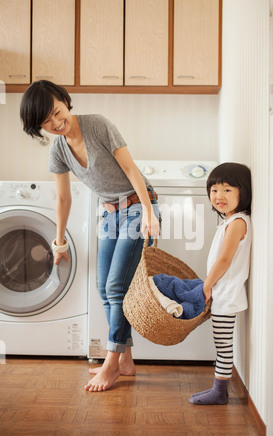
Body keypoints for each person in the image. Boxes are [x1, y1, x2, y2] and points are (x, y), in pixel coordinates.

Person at [20, 80, 160, 392]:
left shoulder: (98, 126)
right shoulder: (58, 150)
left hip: (138, 206)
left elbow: (133, 171)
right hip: (110, 212)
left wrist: (150, 213)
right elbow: (63, 199)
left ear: (65, 101)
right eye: (46, 122)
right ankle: (126, 359)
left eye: (57, 112)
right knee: (103, 287)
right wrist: (59, 241)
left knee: (116, 286)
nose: (56, 123)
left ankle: (110, 364)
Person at [189, 162, 252, 405]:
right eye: (214, 190)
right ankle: (219, 389)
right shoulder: (229, 222)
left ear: (242, 192)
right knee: (221, 342)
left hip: (226, 294)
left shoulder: (237, 223)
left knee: (223, 345)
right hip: (222, 291)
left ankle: (219, 391)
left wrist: (206, 287)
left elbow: (225, 259)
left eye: (227, 190)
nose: (219, 196)